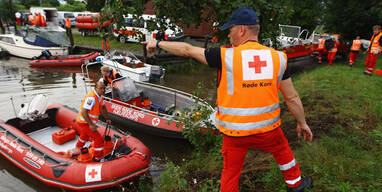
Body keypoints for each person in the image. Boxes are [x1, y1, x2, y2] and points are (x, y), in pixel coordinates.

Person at [142, 6, 313, 192]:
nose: (229, 35)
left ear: (241, 29)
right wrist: (302, 123)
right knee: (282, 150)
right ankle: (295, 185)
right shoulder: (279, 58)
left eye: (230, 30)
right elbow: (292, 97)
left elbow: (187, 49)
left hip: (235, 133)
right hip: (268, 130)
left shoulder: (224, 56)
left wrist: (157, 43)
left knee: (230, 173)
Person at [75, 81, 112, 161]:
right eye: (100, 88)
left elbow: (103, 107)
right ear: (95, 88)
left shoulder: (100, 96)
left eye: (104, 88)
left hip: (87, 122)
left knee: (84, 135)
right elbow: (84, 111)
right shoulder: (91, 98)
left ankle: (78, 147)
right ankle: (98, 157)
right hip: (84, 122)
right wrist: (91, 124)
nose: (103, 90)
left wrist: (107, 118)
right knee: (98, 139)